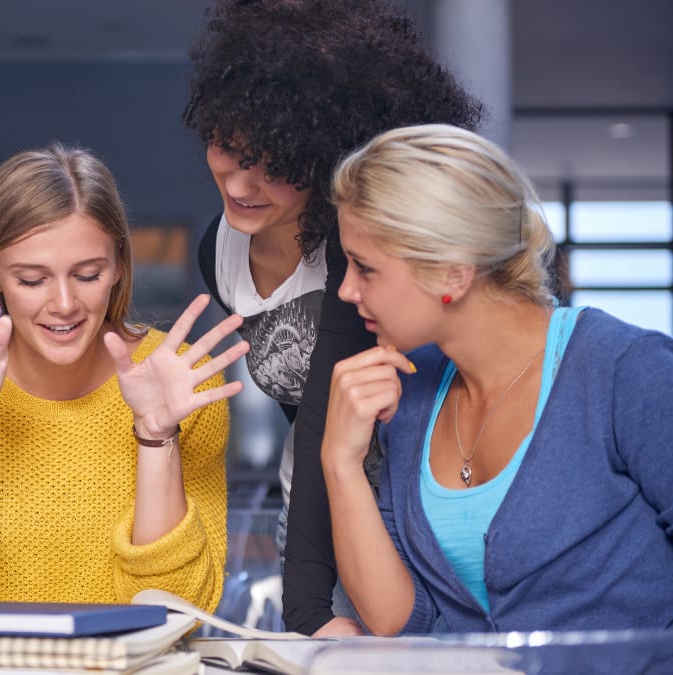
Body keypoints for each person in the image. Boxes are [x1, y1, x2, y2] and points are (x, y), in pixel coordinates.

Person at [181, 0, 483, 636]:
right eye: (228, 150)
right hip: (318, 504)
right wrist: (312, 601)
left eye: (276, 165)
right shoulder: (219, 250)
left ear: (326, 160)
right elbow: (304, 418)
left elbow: (327, 413)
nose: (241, 184)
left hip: (406, 512)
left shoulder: (355, 256)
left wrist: (308, 616)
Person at [322, 123, 673, 634]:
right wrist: (340, 463)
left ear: (452, 274)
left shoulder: (626, 370)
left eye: (365, 268)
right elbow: (400, 620)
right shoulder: (412, 393)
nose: (347, 291)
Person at [0, 142, 248, 611]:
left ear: (119, 268)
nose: (65, 304)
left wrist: (156, 437)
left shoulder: (181, 383)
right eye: (32, 280)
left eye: (88, 274)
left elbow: (175, 611)